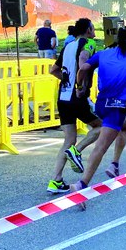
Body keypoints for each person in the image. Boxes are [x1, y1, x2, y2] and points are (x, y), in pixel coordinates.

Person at [70, 28, 126, 203]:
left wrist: (80, 87)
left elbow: (83, 68)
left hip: (101, 104)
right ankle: (81, 185)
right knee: (101, 147)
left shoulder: (103, 54)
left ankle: (114, 164)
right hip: (117, 106)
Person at [46, 18, 101, 194]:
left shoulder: (68, 46)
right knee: (102, 127)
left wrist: (67, 81)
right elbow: (83, 61)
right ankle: (76, 151)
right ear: (88, 30)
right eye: (93, 28)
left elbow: (53, 70)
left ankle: (56, 180)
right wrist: (79, 84)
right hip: (77, 97)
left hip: (62, 98)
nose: (95, 32)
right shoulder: (89, 43)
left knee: (69, 139)